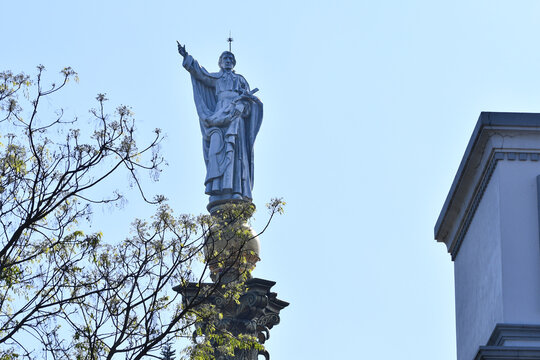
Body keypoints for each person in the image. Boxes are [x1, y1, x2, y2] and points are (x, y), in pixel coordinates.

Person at [177, 42, 263, 209]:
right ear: (220, 62)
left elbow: (249, 102)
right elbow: (201, 74)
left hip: (236, 118)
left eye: (231, 58)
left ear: (234, 63)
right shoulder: (217, 78)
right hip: (219, 116)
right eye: (225, 58)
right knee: (217, 149)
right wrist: (187, 58)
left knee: (236, 152)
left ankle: (237, 189)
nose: (228, 60)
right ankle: (217, 188)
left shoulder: (240, 80)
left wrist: (242, 108)